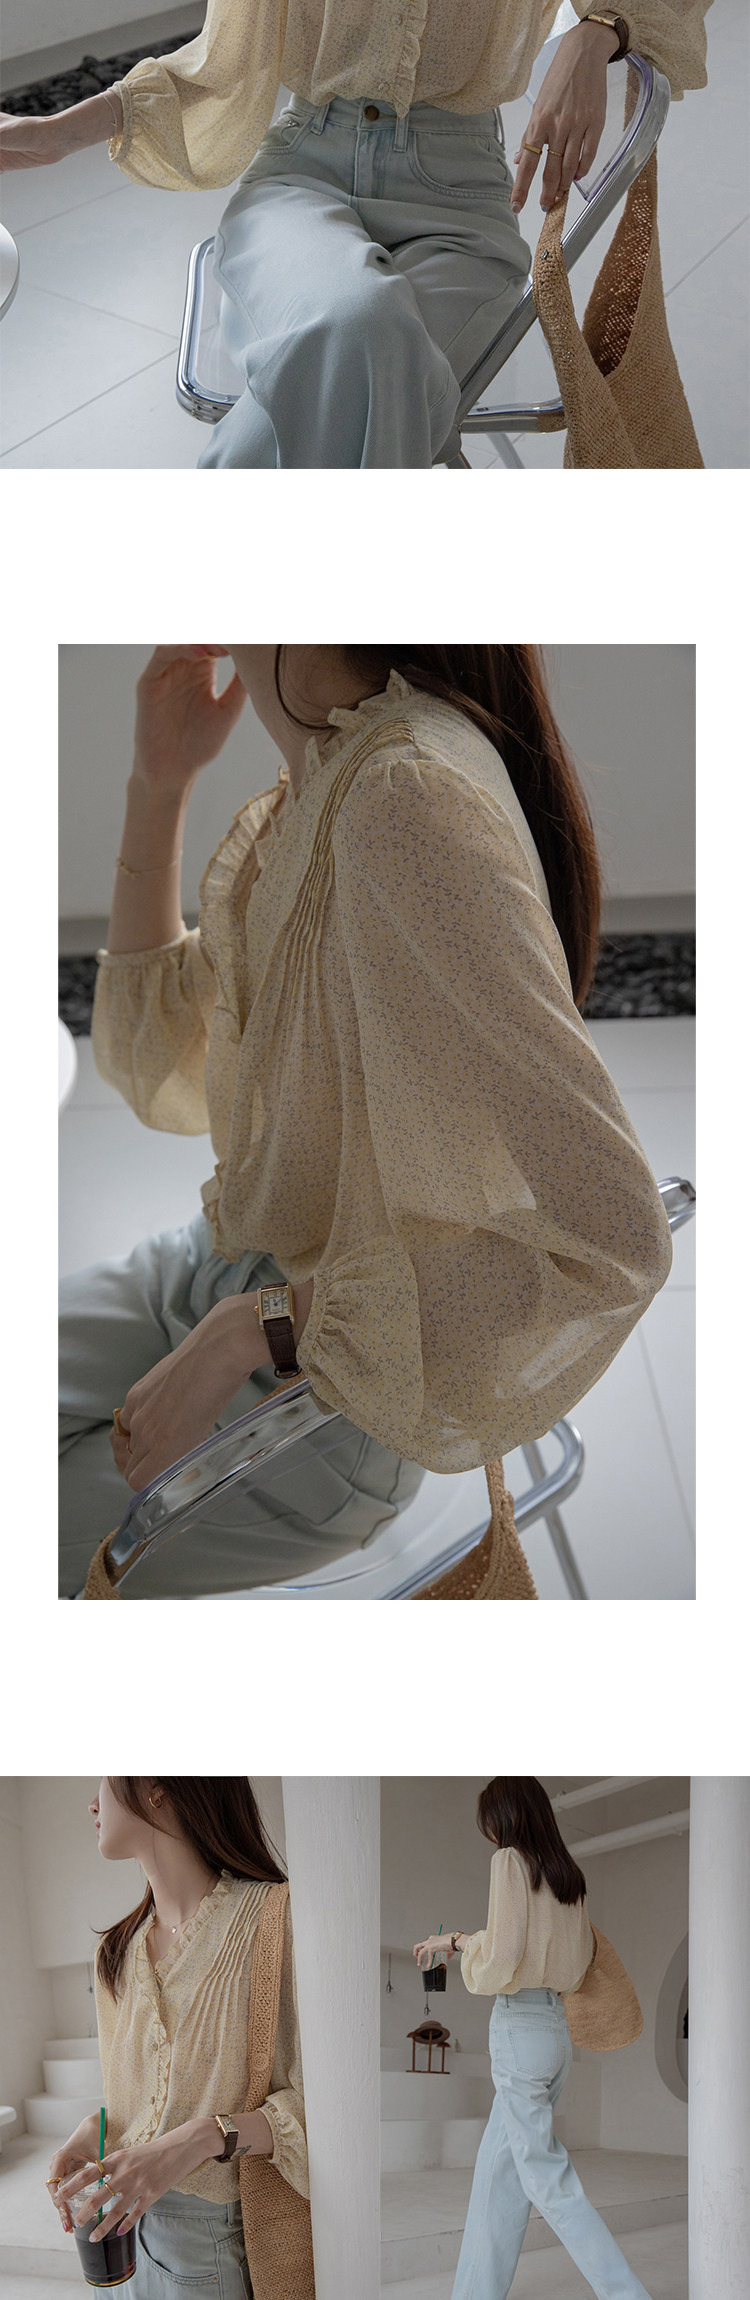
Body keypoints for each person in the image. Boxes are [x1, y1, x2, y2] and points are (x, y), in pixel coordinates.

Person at [59, 644, 672, 1598]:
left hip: (333, 1401)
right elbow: (155, 1062)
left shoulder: (402, 801)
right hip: (216, 1271)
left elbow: (613, 1241)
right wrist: (159, 780)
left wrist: (251, 1330)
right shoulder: (330, 765)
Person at [0, 6, 709, 468]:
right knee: (366, 332)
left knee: (344, 379)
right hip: (300, 176)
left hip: (459, 203)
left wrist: (599, 28)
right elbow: (222, 62)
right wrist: (57, 134)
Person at [46, 1776, 307, 2300]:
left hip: (204, 2245)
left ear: (158, 1787)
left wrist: (200, 2138)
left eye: (107, 1775)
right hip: (112, 2227)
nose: (92, 1803)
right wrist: (98, 2127)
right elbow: (141, 2099)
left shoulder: (276, 1919)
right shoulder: (114, 1954)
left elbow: (323, 2110)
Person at [414, 1776, 653, 2299]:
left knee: (548, 2181)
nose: (488, 1832)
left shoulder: (509, 1862)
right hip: (555, 2031)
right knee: (498, 2175)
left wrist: (464, 1953)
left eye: (489, 1822)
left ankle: (628, 2295)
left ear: (504, 1817)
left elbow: (503, 1958)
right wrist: (460, 1940)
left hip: (520, 2028)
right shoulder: (569, 1878)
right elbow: (571, 1959)